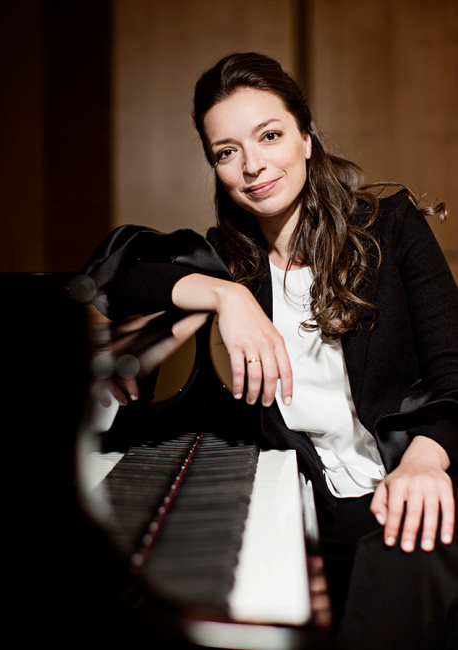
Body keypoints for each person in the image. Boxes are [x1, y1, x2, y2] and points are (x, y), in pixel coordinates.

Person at [84, 53, 458, 647]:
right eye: (226, 152)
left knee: (403, 565)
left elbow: (453, 372)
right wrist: (226, 295)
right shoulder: (230, 261)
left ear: (306, 138)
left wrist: (427, 459)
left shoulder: (391, 228)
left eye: (270, 136)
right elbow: (114, 270)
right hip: (312, 495)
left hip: (411, 479)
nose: (252, 165)